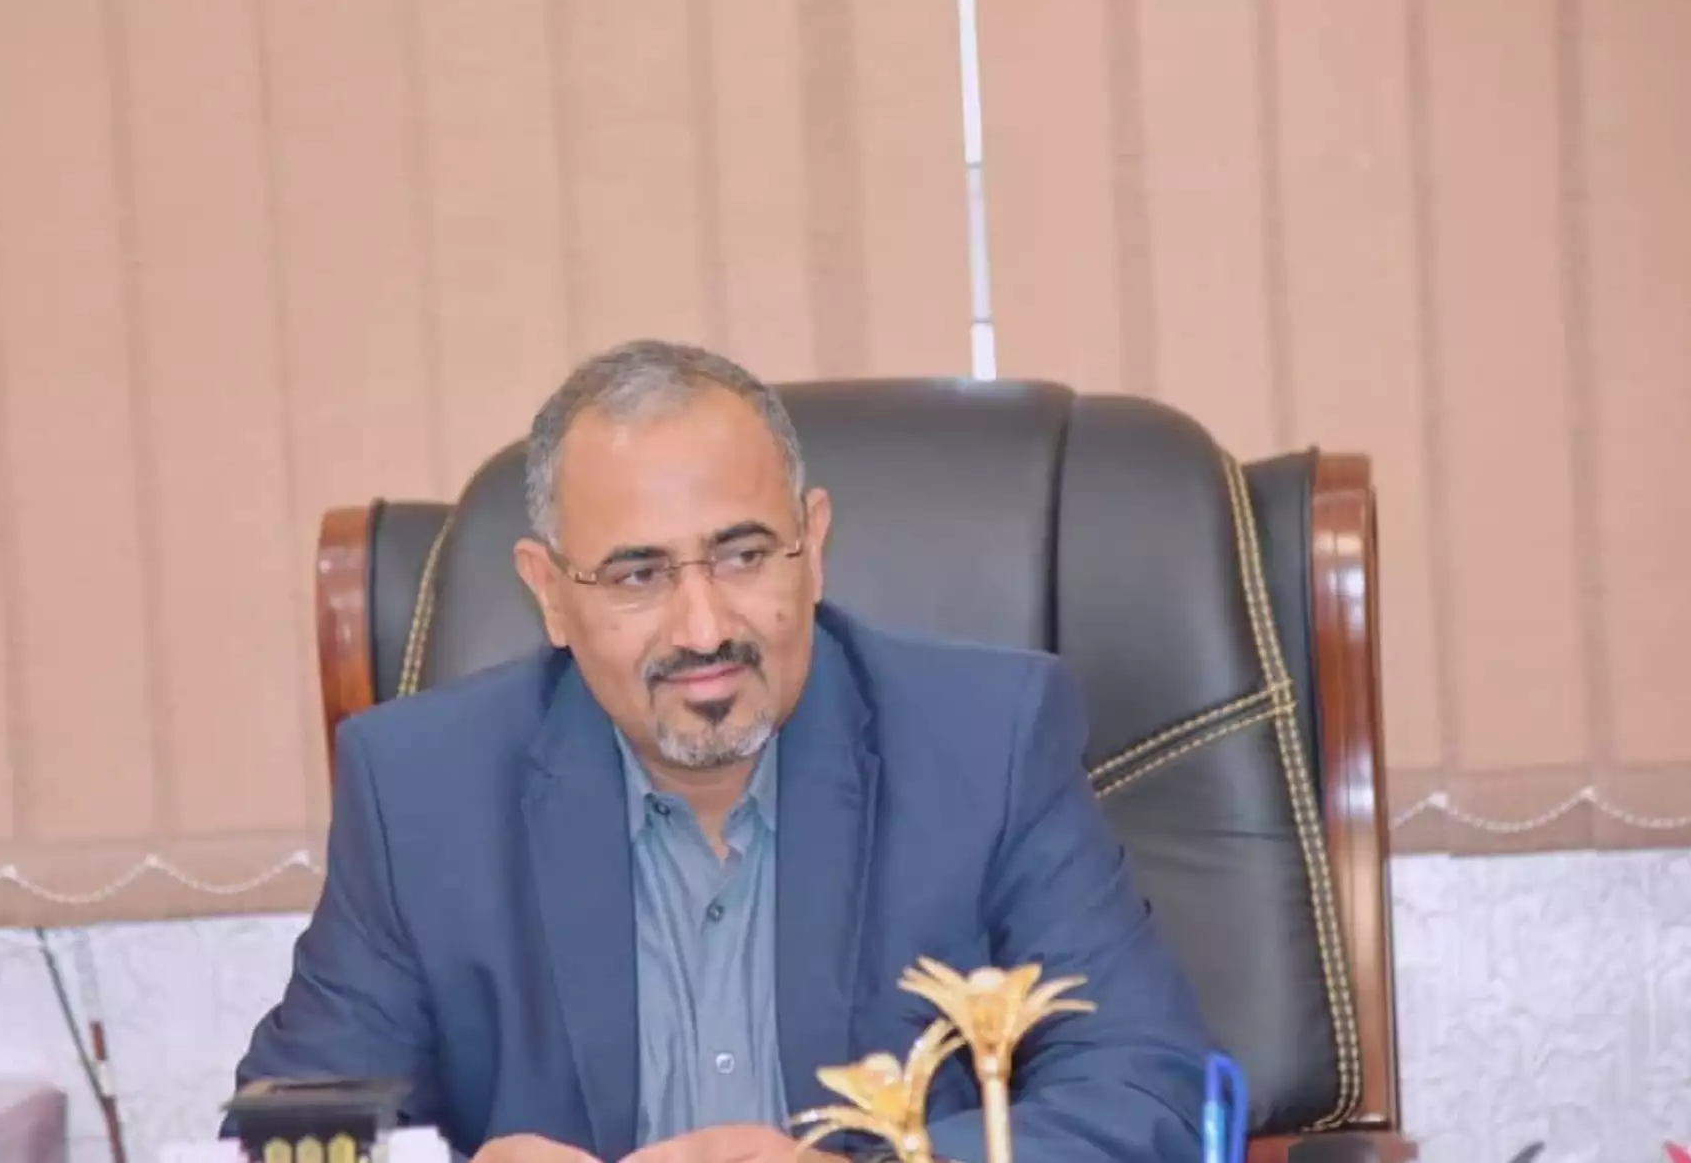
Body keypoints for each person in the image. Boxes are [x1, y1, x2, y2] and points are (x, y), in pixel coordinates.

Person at [232, 340, 1215, 1163]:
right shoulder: (419, 795)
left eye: (743, 556)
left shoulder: (986, 742)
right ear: (550, 593)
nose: (703, 628)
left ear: (812, 545)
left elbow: (1144, 1091)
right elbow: (296, 1133)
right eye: (637, 574)